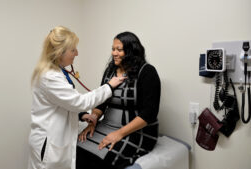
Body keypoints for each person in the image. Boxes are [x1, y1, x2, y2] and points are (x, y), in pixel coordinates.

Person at [28, 26, 126, 169]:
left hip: (55, 140)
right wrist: (109, 86)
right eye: (73, 50)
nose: (77, 53)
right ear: (60, 52)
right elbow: (80, 102)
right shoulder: (50, 77)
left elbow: (63, 102)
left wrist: (82, 115)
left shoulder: (58, 71)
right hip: (49, 146)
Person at [77, 31, 161, 169]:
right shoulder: (110, 71)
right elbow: (102, 102)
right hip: (107, 125)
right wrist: (93, 119)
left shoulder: (147, 72)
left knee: (104, 159)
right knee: (78, 150)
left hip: (135, 132)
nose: (114, 53)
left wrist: (119, 134)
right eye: (113, 49)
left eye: (119, 49)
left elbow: (149, 114)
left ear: (131, 51)